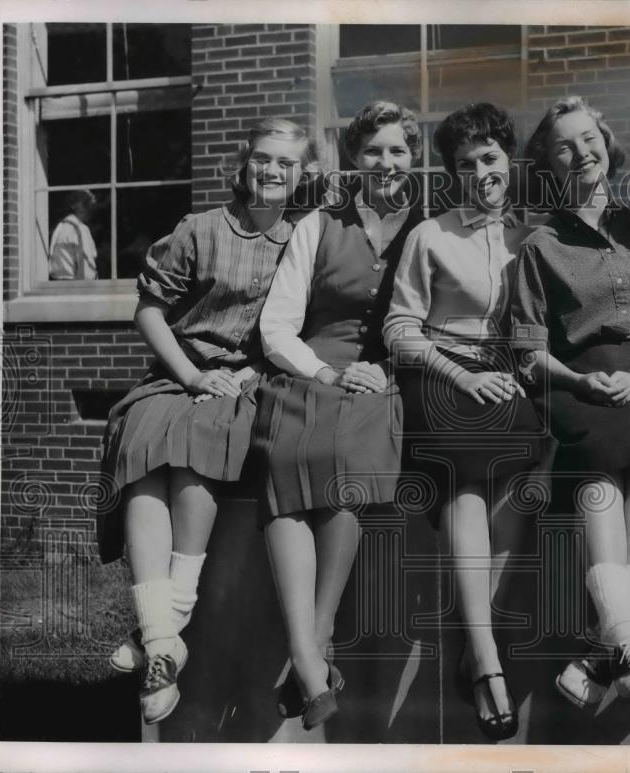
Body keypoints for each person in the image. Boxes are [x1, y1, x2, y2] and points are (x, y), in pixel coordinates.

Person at [99, 118, 318, 724]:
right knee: (142, 448)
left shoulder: (303, 241)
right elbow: (148, 312)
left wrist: (242, 375)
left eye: (287, 162)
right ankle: (164, 638)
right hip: (178, 372)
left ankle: (156, 636)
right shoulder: (199, 229)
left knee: (195, 461)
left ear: (303, 175)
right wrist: (191, 376)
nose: (272, 170)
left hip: (246, 380)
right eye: (262, 158)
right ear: (243, 164)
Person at [249, 101, 425, 731]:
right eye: (373, 150)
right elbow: (276, 326)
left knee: (348, 463)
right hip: (308, 371)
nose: (386, 162)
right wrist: (322, 372)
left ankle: (313, 644)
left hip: (384, 377)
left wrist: (389, 372)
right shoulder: (318, 224)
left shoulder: (427, 228)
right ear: (355, 157)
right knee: (292, 460)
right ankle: (309, 653)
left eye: (398, 150)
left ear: (414, 156)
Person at [511, 96, 630, 709]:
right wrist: (580, 384)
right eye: (564, 145)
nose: (581, 152)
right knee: (600, 450)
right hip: (574, 379)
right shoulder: (540, 246)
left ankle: (606, 646)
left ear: (606, 144)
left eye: (589, 138)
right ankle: (626, 641)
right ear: (549, 164)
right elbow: (528, 349)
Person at [383, 102, 543, 741]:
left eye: (490, 158)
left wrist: (530, 366)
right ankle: (483, 658)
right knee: (463, 474)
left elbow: (533, 323)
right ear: (452, 173)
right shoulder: (431, 234)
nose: (481, 171)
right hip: (439, 377)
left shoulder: (532, 235)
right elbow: (398, 329)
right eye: (466, 163)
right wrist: (460, 373)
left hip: (507, 380)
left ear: (509, 161)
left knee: (538, 450)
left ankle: (488, 646)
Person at [49, 189, 99, 280]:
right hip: (78, 286)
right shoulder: (80, 229)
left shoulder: (60, 228)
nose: (90, 209)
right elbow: (86, 270)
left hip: (58, 286)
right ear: (77, 206)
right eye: (87, 204)